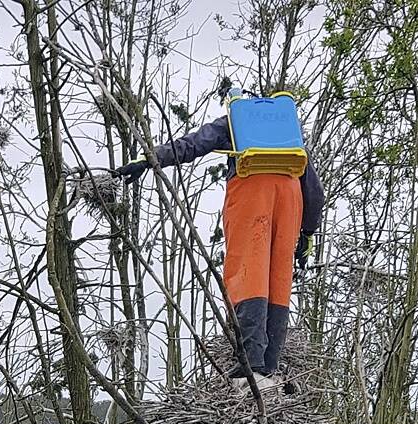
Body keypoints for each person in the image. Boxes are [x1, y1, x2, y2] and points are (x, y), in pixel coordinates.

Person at [110, 89, 325, 389]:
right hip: (290, 194)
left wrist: (149, 159)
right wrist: (308, 233)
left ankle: (251, 368)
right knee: (278, 281)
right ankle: (270, 367)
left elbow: (192, 145)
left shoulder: (234, 122)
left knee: (248, 275)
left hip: (251, 192)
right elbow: (314, 189)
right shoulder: (287, 135)